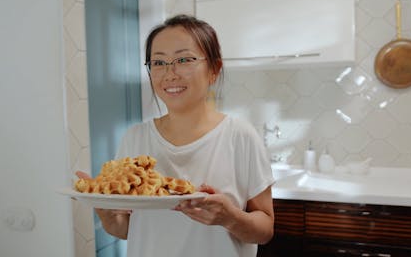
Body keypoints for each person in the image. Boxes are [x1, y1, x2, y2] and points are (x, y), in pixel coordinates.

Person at [78, 14, 275, 257]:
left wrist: (230, 218)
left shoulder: (241, 137)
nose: (170, 73)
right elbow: (127, 230)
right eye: (158, 63)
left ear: (214, 69)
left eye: (184, 59)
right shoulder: (135, 138)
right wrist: (107, 214)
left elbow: (265, 230)